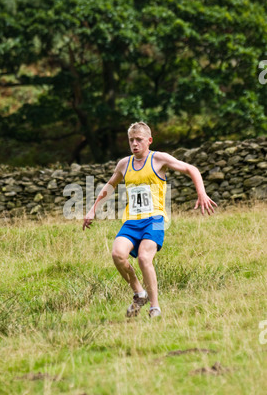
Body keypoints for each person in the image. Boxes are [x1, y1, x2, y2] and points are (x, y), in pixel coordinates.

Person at [83, 122, 217, 318]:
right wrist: (93, 209)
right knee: (117, 254)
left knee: (145, 258)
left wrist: (201, 193)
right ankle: (139, 293)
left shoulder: (159, 159)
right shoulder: (124, 164)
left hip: (154, 219)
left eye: (139, 140)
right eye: (131, 140)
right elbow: (110, 185)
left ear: (149, 141)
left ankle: (155, 307)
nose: (135, 144)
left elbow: (191, 169)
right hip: (131, 221)